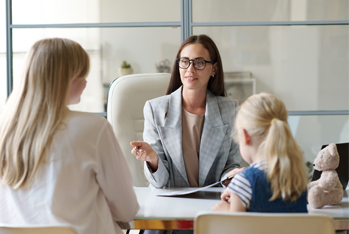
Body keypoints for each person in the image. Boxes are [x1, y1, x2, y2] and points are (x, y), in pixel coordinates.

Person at [0, 38, 139, 234]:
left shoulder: (5, 130)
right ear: (63, 79)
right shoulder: (93, 129)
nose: (85, 83)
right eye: (81, 75)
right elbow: (127, 209)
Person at [130, 34, 243, 189]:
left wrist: (232, 177)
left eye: (199, 63)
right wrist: (152, 158)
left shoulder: (230, 110)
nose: (190, 69)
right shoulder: (155, 109)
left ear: (214, 69)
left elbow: (231, 166)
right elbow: (159, 182)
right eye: (184, 62)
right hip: (169, 206)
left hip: (211, 203)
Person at [212, 93, 308, 213]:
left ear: (245, 136)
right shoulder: (297, 176)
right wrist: (237, 190)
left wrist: (226, 210)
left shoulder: (245, 180)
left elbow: (236, 229)